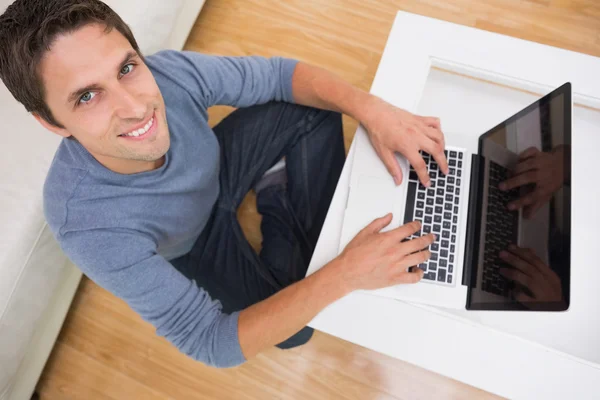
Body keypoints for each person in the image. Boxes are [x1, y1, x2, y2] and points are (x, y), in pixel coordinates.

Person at [0, 0, 448, 368]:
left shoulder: (169, 73)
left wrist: (374, 109)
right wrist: (345, 274)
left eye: (126, 69)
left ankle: (276, 191)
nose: (135, 107)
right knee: (297, 330)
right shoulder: (84, 226)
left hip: (220, 167)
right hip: (192, 244)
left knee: (317, 107)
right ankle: (279, 194)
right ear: (52, 122)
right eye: (87, 96)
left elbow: (279, 75)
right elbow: (209, 342)